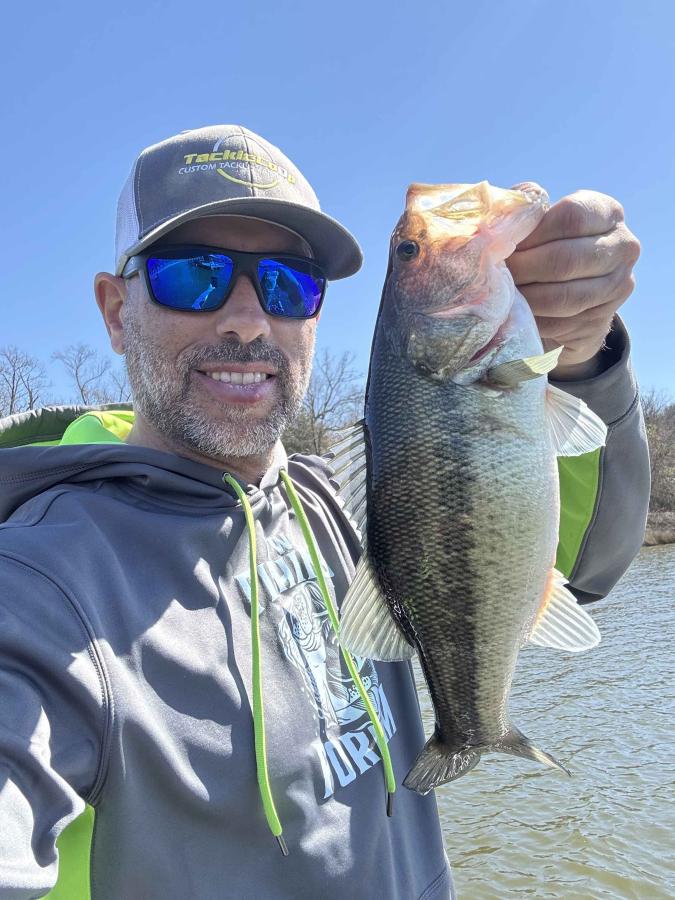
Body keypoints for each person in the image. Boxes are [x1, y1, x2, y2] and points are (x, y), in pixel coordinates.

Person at [0, 125, 648, 900]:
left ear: (315, 316)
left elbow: (587, 565)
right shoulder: (39, 587)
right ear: (115, 312)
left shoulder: (352, 509)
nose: (247, 320)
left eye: (288, 283)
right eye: (194, 275)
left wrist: (585, 362)